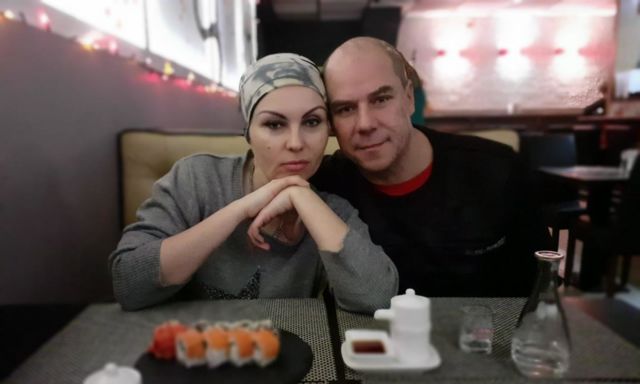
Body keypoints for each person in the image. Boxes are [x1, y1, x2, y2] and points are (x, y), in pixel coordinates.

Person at [109, 53, 398, 312]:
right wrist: (240, 209)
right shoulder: (196, 178)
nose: (296, 143)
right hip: (191, 346)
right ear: (248, 133)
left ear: (328, 131)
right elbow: (128, 284)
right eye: (274, 124)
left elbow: (377, 298)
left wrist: (302, 197)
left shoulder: (332, 207)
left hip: (287, 350)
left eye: (312, 122)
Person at [312, 37, 551, 297]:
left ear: (409, 98)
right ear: (331, 124)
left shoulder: (497, 171)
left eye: (381, 99)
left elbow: (541, 287)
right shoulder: (325, 184)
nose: (365, 124)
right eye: (345, 109)